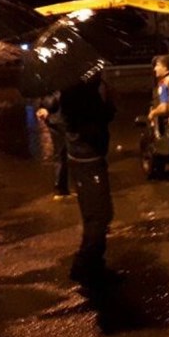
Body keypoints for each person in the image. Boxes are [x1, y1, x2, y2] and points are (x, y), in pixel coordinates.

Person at [60, 73, 117, 288]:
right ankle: (85, 267)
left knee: (101, 214)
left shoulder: (78, 87)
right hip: (87, 159)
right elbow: (95, 120)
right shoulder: (79, 90)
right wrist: (108, 102)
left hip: (87, 157)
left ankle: (94, 266)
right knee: (98, 216)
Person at [35, 90, 73, 200]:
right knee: (74, 152)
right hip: (64, 119)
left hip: (53, 119)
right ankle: (65, 188)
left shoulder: (48, 82)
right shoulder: (65, 84)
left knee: (60, 154)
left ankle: (61, 189)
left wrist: (42, 107)